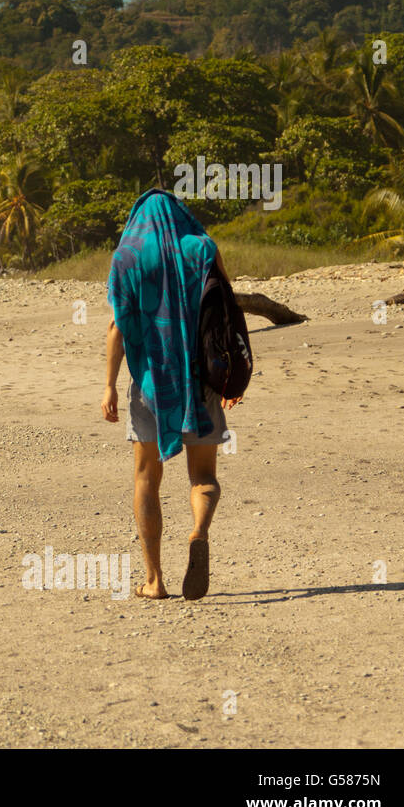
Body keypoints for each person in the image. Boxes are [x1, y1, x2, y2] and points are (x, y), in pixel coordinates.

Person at [101, 189, 241, 601]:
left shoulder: (127, 256)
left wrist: (109, 384)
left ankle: (155, 580)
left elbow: (118, 328)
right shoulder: (202, 248)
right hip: (202, 382)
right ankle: (199, 531)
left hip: (150, 383)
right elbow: (226, 311)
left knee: (146, 478)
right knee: (204, 477)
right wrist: (232, 377)